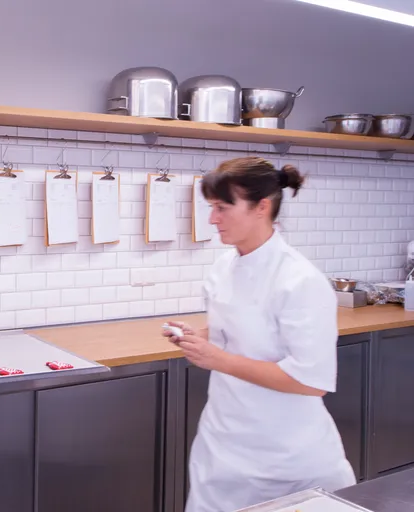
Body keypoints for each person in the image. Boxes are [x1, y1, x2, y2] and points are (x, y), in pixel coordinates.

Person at [163, 157, 355, 512]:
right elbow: (241, 330)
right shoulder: (223, 268)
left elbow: (311, 381)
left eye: (222, 208)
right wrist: (201, 337)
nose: (212, 219)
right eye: (211, 208)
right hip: (222, 448)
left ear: (261, 207)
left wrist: (217, 359)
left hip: (287, 456)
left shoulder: (300, 280)